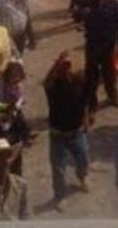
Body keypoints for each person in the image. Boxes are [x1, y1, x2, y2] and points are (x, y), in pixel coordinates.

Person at [44, 52, 90, 210]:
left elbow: (85, 102)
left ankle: (82, 177)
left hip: (76, 131)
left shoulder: (79, 83)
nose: (66, 69)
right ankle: (60, 196)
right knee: (58, 168)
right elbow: (46, 81)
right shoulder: (53, 86)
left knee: (83, 159)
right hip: (58, 134)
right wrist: (55, 65)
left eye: (68, 66)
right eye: (64, 66)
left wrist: (85, 119)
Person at [79, 0, 118, 113]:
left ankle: (112, 94)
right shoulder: (87, 2)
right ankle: (92, 103)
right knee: (91, 75)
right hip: (93, 45)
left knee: (109, 73)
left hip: (109, 45)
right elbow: (77, 17)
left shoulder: (113, 2)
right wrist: (82, 14)